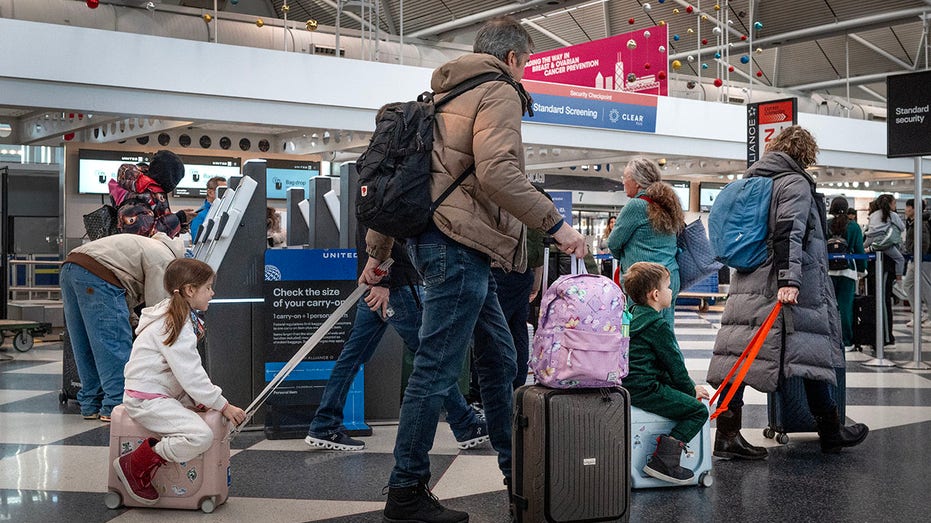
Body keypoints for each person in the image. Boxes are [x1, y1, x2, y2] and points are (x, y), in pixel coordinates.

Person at [360, 17, 586, 522]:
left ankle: (517, 476)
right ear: (513, 58)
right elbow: (498, 172)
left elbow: (403, 182)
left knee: (500, 359)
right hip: (458, 247)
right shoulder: (498, 91)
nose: (524, 73)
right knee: (437, 367)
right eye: (526, 63)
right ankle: (406, 490)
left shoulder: (440, 98)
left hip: (442, 244)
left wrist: (378, 252)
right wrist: (556, 226)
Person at [707, 125, 868, 458]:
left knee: (746, 355)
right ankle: (829, 430)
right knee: (806, 349)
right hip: (784, 283)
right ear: (805, 154)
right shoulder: (794, 182)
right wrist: (789, 281)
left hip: (749, 279)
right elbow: (788, 232)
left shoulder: (756, 181)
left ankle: (729, 434)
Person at [305, 226, 488, 452]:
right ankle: (465, 424)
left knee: (352, 357)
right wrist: (382, 282)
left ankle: (324, 424)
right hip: (395, 287)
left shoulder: (369, 201)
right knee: (432, 360)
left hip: (382, 285)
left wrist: (378, 282)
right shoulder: (383, 202)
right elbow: (379, 230)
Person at [112, 258, 246, 506]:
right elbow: (190, 374)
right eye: (208, 287)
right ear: (190, 290)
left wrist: (201, 400)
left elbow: (180, 374)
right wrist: (223, 405)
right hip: (146, 400)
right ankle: (135, 464)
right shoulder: (175, 324)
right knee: (200, 436)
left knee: (198, 419)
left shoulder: (174, 316)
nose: (212, 293)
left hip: (155, 393)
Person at [60, 232, 185, 422]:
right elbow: (157, 308)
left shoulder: (147, 244)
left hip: (70, 268)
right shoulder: (165, 259)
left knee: (83, 343)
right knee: (113, 343)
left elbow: (125, 296)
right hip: (98, 276)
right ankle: (116, 405)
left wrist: (132, 320)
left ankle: (90, 404)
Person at [623, 261, 709, 485]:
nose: (671, 291)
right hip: (646, 389)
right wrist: (691, 391)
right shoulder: (658, 326)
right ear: (655, 294)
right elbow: (675, 366)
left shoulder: (631, 315)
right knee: (698, 411)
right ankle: (664, 461)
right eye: (668, 287)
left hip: (626, 385)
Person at [608, 157, 685, 329]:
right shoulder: (668, 204)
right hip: (668, 278)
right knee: (665, 330)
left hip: (644, 281)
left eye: (625, 177)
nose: (623, 181)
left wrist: (624, 255)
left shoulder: (636, 206)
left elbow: (613, 243)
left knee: (640, 332)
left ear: (637, 182)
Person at [109, 150, 195, 238]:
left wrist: (180, 225)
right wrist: (178, 218)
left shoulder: (140, 192)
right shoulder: (140, 198)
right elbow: (147, 235)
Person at [826, 197, 866, 350]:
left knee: (829, 306)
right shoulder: (853, 226)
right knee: (845, 307)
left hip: (828, 270)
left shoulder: (826, 224)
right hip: (848, 271)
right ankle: (846, 341)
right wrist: (862, 270)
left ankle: (830, 338)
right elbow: (859, 250)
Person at [865, 194, 907, 301]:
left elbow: (870, 233)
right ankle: (899, 283)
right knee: (900, 259)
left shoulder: (873, 215)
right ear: (890, 204)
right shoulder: (893, 215)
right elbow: (902, 227)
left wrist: (865, 246)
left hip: (872, 241)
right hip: (885, 244)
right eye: (894, 203)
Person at [903, 198, 931, 328]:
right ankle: (918, 314)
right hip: (914, 258)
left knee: (926, 288)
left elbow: (924, 242)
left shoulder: (922, 222)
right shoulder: (912, 222)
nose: (905, 210)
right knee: (908, 285)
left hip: (923, 260)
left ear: (913, 208)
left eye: (907, 207)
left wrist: (918, 254)